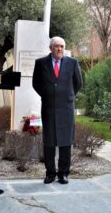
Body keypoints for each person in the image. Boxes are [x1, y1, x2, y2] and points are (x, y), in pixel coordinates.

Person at [32, 36, 83, 185]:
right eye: (56, 46)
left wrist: (69, 96)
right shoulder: (40, 63)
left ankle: (63, 174)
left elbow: (78, 83)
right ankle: (50, 173)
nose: (59, 49)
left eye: (62, 46)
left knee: (65, 142)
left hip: (66, 108)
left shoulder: (73, 63)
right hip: (48, 108)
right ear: (51, 48)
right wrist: (47, 95)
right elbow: (36, 83)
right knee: (49, 142)